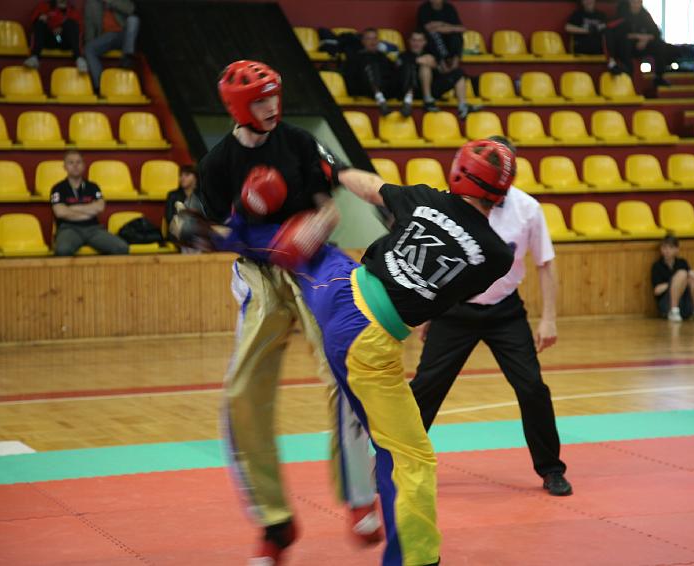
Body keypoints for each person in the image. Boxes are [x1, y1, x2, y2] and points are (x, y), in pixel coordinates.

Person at [173, 137, 516, 566]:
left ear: (458, 173)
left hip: (342, 289)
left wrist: (333, 169)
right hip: (368, 343)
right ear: (503, 191)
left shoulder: (427, 199)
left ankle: (221, 236)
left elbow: (369, 187)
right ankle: (413, 559)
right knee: (410, 457)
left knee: (305, 250)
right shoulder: (497, 256)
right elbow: (449, 290)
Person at [193, 60, 380, 565]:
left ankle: (359, 495)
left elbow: (330, 208)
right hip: (258, 273)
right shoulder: (217, 164)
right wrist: (199, 235)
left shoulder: (297, 142)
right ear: (238, 107)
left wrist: (309, 232)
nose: (271, 106)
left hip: (314, 265)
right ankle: (274, 523)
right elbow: (205, 227)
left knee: (346, 368)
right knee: (241, 393)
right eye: (260, 100)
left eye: (274, 96)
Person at [409, 136, 571, 497]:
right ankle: (392, 461)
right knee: (426, 387)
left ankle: (551, 469)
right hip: (454, 308)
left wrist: (549, 318)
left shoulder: (527, 209)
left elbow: (545, 263)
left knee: (532, 387)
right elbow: (437, 260)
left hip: (504, 311)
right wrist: (427, 310)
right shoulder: (457, 203)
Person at [51, 149, 129, 256]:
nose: (75, 165)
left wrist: (71, 208)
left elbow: (100, 207)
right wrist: (89, 210)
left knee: (122, 248)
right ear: (65, 167)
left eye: (78, 162)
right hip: (68, 228)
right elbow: (60, 212)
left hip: (93, 229)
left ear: (84, 165)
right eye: (71, 162)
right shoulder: (58, 188)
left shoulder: (93, 186)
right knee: (63, 250)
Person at [397, 30, 475, 119]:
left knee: (458, 73)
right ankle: (428, 101)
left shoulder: (430, 55)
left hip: (432, 89)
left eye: (420, 40)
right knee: (425, 66)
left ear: (425, 42)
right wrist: (417, 60)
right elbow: (399, 73)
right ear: (409, 41)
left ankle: (462, 106)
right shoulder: (403, 55)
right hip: (412, 91)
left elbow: (441, 73)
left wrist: (435, 66)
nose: (416, 43)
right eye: (414, 40)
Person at [607, 0, 677, 86]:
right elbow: (619, 34)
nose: (636, 4)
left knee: (660, 44)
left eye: (638, 2)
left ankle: (658, 77)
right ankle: (628, 77)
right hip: (627, 47)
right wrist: (639, 37)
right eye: (634, 2)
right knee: (625, 43)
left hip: (643, 44)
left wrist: (645, 39)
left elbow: (656, 33)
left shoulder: (645, 15)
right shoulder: (622, 13)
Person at [342, 28, 402, 116]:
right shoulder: (355, 58)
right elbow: (351, 80)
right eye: (369, 39)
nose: (372, 42)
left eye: (375, 39)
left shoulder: (384, 58)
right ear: (363, 41)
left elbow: (393, 76)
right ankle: (379, 96)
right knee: (371, 66)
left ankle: (380, 96)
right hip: (364, 90)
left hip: (385, 90)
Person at [83, 0, 139, 91]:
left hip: (123, 34)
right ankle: (100, 85)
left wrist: (111, 1)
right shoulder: (91, 4)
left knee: (134, 20)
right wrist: (88, 48)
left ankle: (126, 60)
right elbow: (90, 29)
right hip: (105, 37)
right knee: (89, 48)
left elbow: (131, 9)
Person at [651, 235, 694, 322]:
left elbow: (689, 280)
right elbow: (657, 290)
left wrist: (682, 283)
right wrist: (674, 283)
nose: (667, 251)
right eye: (664, 248)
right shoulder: (657, 266)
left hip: (685, 303)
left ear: (677, 249)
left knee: (693, 274)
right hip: (667, 304)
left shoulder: (682, 263)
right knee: (682, 274)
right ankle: (673, 311)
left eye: (671, 248)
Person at [24, 0, 87, 73]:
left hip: (61, 40)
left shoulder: (72, 10)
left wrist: (63, 27)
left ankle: (78, 58)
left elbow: (79, 30)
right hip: (49, 40)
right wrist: (44, 19)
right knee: (39, 22)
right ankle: (34, 57)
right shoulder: (45, 6)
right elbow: (32, 25)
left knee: (71, 23)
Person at [416, 0, 466, 72]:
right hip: (431, 43)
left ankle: (454, 65)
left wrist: (440, 24)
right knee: (434, 35)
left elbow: (461, 29)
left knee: (456, 36)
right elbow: (428, 28)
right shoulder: (424, 8)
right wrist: (447, 27)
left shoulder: (449, 8)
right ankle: (443, 66)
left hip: (448, 42)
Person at [164, 164, 201, 253]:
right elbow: (170, 218)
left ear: (195, 178)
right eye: (181, 175)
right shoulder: (172, 195)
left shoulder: (201, 195)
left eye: (187, 175)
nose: (182, 178)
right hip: (178, 230)